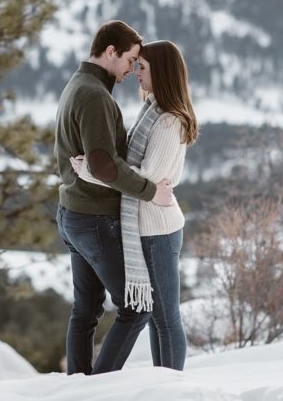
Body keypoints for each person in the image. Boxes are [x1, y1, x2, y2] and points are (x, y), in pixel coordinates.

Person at [54, 20, 175, 375]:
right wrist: (151, 192)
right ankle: (98, 388)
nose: (132, 70)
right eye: (130, 60)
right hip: (93, 218)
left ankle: (78, 384)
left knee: (86, 310)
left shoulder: (78, 84)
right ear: (111, 52)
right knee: (137, 307)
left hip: (72, 213)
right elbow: (103, 165)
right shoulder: (93, 95)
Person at [71, 40, 198, 370]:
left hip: (158, 228)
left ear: (162, 72)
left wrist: (93, 172)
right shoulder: (151, 111)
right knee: (157, 318)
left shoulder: (169, 121)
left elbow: (145, 177)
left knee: (166, 318)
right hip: (148, 226)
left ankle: (171, 390)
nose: (135, 73)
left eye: (142, 67)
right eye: (136, 64)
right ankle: (161, 384)